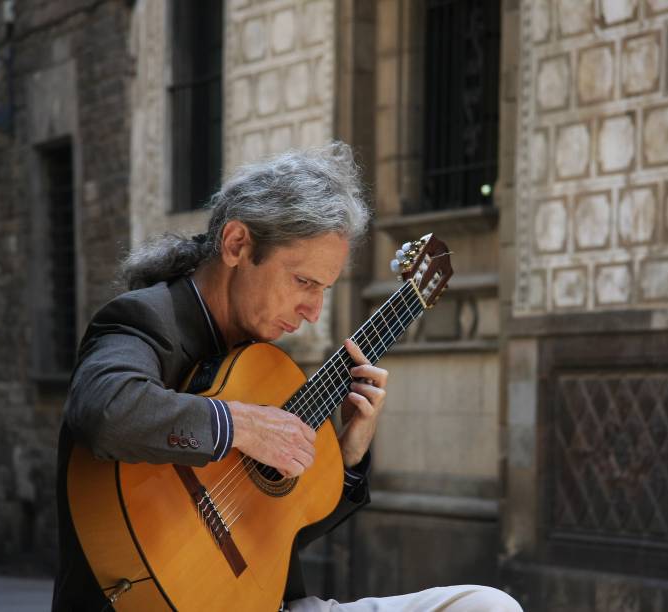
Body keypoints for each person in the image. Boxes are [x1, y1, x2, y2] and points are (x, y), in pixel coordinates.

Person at [52, 142, 521, 611]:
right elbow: (105, 410)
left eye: (324, 289)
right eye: (304, 282)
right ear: (237, 244)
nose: (314, 312)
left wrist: (348, 453)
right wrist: (240, 426)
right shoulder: (147, 320)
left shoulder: (259, 360)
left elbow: (277, 531)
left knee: (486, 606)